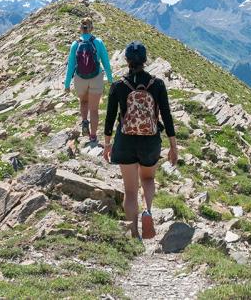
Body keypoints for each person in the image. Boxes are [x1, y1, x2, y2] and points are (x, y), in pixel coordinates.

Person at [104, 41, 178, 240]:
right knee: (148, 178)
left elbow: (110, 118)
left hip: (125, 141)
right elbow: (166, 115)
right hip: (150, 141)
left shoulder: (118, 85)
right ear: (145, 60)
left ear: (126, 60)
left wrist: (107, 143)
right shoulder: (157, 84)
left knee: (129, 190)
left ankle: (134, 233)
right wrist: (173, 145)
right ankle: (147, 210)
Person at [64, 17, 116, 147]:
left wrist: (66, 84)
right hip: (96, 78)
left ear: (81, 28)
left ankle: (84, 121)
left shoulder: (75, 44)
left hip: (80, 78)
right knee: (94, 109)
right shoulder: (98, 42)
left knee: (83, 102)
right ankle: (93, 136)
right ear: (91, 28)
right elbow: (105, 62)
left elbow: (71, 65)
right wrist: (110, 79)